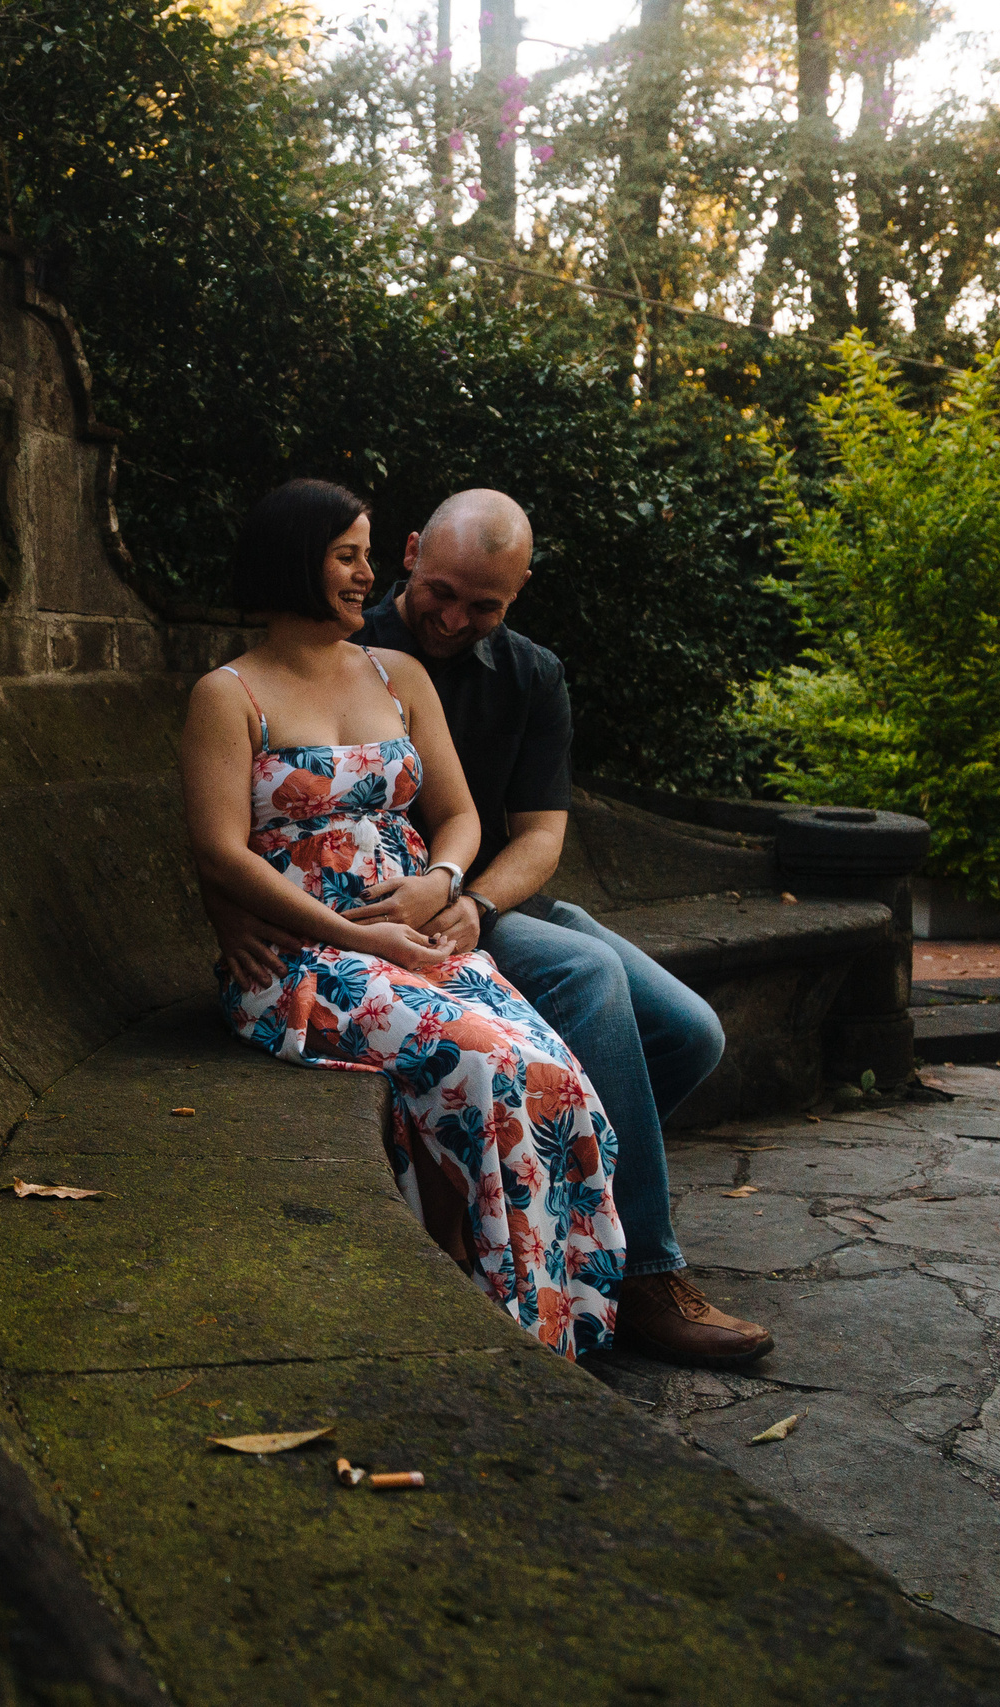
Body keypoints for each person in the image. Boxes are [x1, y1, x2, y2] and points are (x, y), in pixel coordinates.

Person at [207, 488, 774, 1369]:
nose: (454, 615)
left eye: (485, 605)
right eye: (440, 591)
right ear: (408, 557)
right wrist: (241, 906)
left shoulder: (515, 673)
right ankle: (646, 1273)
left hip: (480, 899)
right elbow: (224, 832)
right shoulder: (309, 659)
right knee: (586, 985)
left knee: (691, 1033)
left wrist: (459, 893)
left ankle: (560, 1202)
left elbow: (536, 833)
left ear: (517, 595)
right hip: (365, 927)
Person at [181, 478, 625, 1361]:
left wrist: (445, 881)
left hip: (413, 937)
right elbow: (220, 850)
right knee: (491, 1061)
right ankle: (509, 1320)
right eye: (348, 555)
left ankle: (566, 1320)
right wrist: (358, 936)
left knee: (558, 1072)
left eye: (367, 554)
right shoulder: (226, 695)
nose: (366, 574)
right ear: (296, 561)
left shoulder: (400, 675)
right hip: (302, 962)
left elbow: (459, 814)